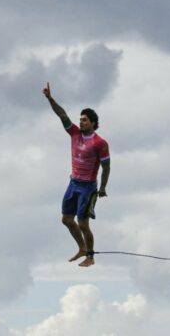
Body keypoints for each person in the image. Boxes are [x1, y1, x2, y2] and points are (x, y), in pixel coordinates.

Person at [43, 82, 110, 267]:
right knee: (66, 219)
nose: (81, 122)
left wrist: (103, 188)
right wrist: (50, 99)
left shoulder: (100, 143)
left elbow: (106, 167)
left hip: (88, 187)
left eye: (85, 120)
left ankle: (90, 255)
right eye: (80, 119)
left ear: (94, 123)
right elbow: (62, 114)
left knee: (82, 223)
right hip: (73, 183)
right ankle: (81, 248)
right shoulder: (74, 133)